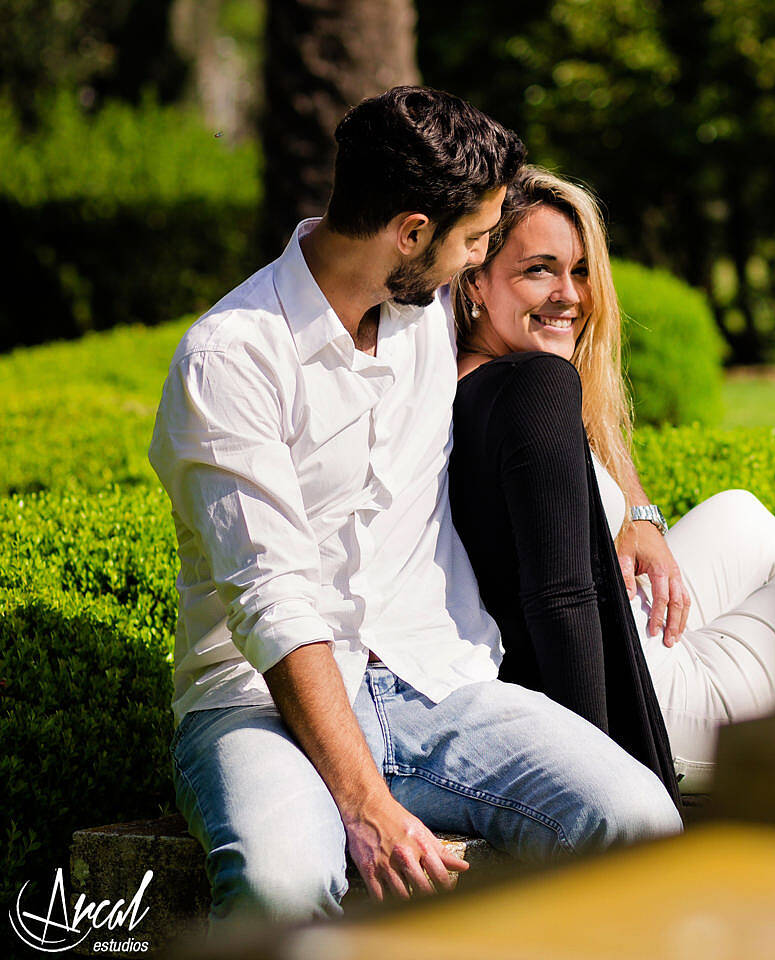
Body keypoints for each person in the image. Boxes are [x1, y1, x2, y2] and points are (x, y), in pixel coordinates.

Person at [148, 89, 681, 930]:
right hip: (260, 704)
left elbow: (565, 375)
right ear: (411, 232)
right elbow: (272, 604)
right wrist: (365, 806)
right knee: (282, 893)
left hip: (439, 683)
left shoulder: (425, 310)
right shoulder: (232, 358)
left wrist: (639, 510)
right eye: (475, 242)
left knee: (637, 818)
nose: (479, 265)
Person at [447, 166, 775, 793]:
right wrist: (603, 778)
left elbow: (589, 464)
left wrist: (638, 518)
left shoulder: (475, 376)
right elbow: (558, 603)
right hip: (656, 710)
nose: (572, 296)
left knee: (739, 513)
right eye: (539, 270)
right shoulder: (530, 391)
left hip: (642, 638)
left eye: (580, 272)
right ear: (474, 281)